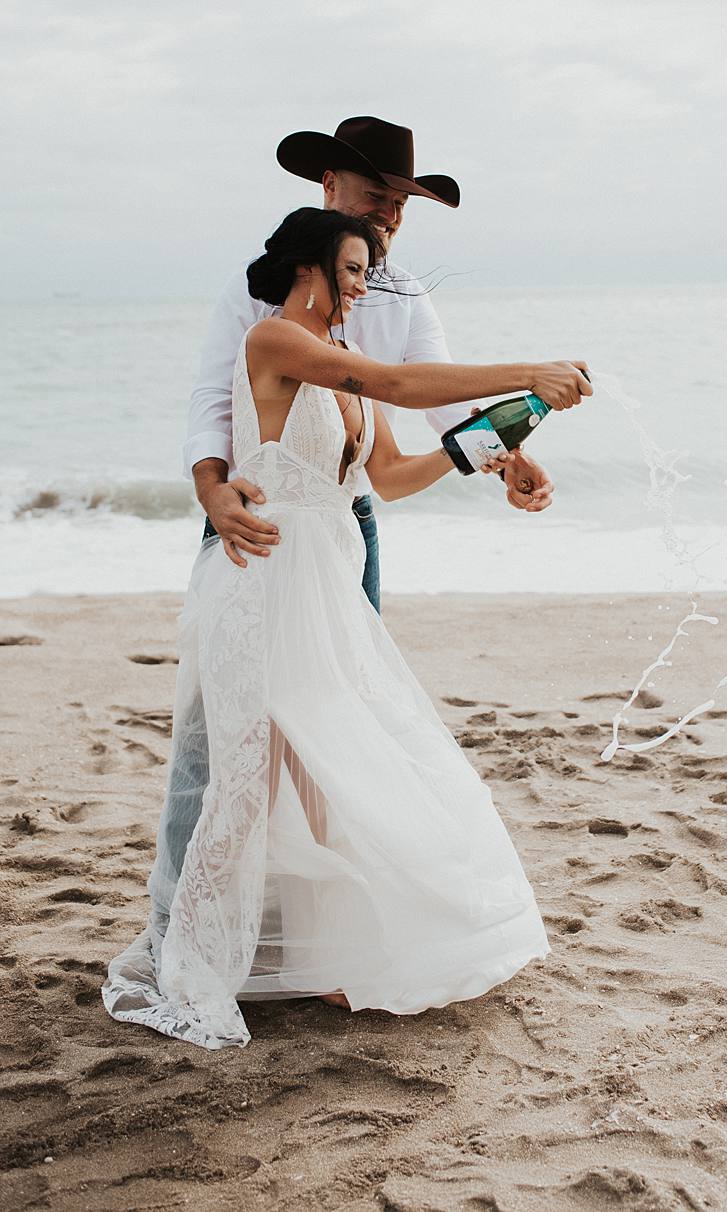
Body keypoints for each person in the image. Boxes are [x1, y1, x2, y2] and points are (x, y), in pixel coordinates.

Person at [103, 208, 591, 1048]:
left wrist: (513, 420)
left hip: (324, 583)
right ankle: (194, 958)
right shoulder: (275, 342)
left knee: (330, 764)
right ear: (308, 270)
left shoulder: (344, 377)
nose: (365, 286)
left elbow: (393, 478)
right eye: (355, 269)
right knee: (246, 779)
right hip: (262, 581)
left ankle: (328, 958)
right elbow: (397, 383)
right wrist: (530, 366)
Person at [148, 114, 553, 955]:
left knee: (335, 733)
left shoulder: (396, 298)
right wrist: (212, 491)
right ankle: (179, 934)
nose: (392, 218)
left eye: (403, 205)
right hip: (255, 533)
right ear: (329, 190)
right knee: (216, 745)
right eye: (378, 199)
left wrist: (504, 448)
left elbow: (412, 438)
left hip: (342, 541)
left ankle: (316, 938)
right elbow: (223, 400)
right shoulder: (262, 310)